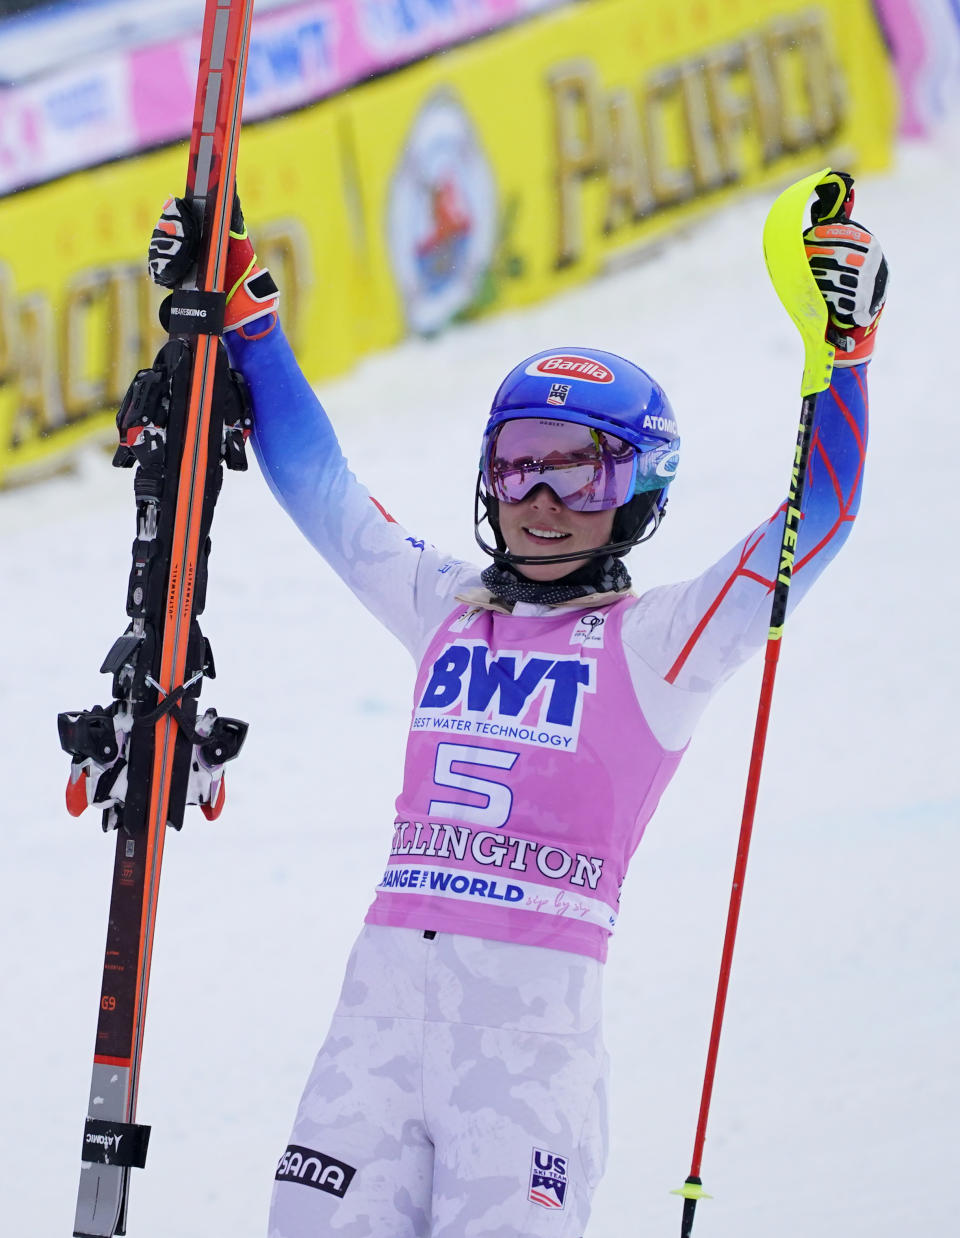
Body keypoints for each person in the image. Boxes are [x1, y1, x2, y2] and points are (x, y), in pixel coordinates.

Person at [150, 172, 887, 1237]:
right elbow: (323, 487)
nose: (541, 502)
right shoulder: (445, 604)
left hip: (526, 1066)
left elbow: (813, 522)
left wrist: (846, 356)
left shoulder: (661, 638)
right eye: (516, 467)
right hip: (374, 1037)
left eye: (580, 473)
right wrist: (249, 321)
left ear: (637, 490)